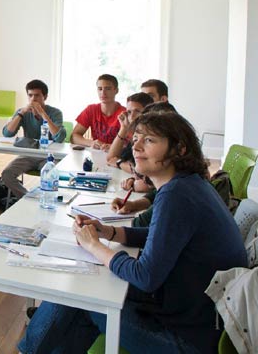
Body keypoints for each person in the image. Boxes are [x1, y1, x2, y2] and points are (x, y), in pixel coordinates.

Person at [20, 112, 247, 354]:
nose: (136, 146)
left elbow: (145, 276)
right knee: (80, 305)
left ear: (180, 149)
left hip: (186, 341)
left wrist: (95, 246)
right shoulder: (188, 184)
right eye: (136, 138)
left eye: (149, 140)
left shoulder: (177, 195)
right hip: (189, 319)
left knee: (79, 292)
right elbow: (161, 234)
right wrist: (110, 232)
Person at [0, 79, 66, 199]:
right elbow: (7, 133)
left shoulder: (55, 112)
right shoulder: (23, 112)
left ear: (45, 97)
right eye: (30, 95)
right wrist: (21, 114)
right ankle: (28, 198)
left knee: (51, 175)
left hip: (49, 156)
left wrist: (43, 114)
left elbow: (60, 137)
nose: (33, 99)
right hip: (28, 154)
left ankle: (46, 198)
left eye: (37, 95)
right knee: (7, 174)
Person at [105, 92, 154, 180]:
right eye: (129, 112)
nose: (132, 116)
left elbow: (142, 171)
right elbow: (111, 158)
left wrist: (119, 163)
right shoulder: (137, 135)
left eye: (137, 111)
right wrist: (123, 128)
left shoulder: (151, 135)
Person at [70, 74, 126, 151]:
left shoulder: (125, 113)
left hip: (118, 156)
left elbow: (133, 143)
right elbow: (74, 137)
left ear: (116, 90)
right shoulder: (91, 110)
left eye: (108, 89)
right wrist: (91, 143)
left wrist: (113, 147)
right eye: (100, 89)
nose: (103, 92)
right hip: (96, 154)